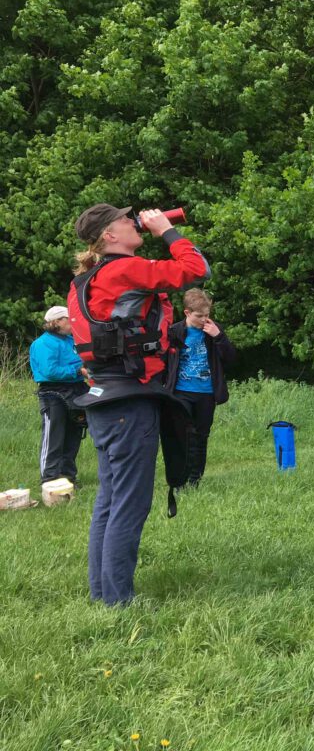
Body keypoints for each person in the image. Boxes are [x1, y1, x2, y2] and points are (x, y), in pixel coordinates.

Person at [68, 203, 209, 606]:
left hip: (105, 397)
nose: (135, 223)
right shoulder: (123, 269)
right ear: (108, 236)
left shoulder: (86, 280)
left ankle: (104, 595)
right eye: (125, 220)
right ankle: (118, 601)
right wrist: (166, 228)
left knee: (110, 500)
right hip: (130, 398)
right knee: (129, 503)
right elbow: (197, 271)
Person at [161, 288, 236, 492]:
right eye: (199, 316)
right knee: (181, 436)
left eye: (207, 315)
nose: (204, 319)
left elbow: (230, 359)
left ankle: (195, 479)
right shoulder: (175, 332)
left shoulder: (213, 330)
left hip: (206, 392)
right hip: (180, 391)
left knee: (201, 436)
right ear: (187, 313)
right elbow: (164, 362)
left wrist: (218, 336)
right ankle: (179, 481)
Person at [28, 306, 89, 486]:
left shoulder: (72, 341)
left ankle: (68, 476)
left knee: (74, 434)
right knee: (54, 436)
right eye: (68, 320)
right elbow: (50, 371)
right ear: (56, 322)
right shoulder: (43, 344)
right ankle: (50, 478)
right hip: (53, 393)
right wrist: (78, 370)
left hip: (76, 390)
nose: (72, 323)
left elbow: (83, 361)